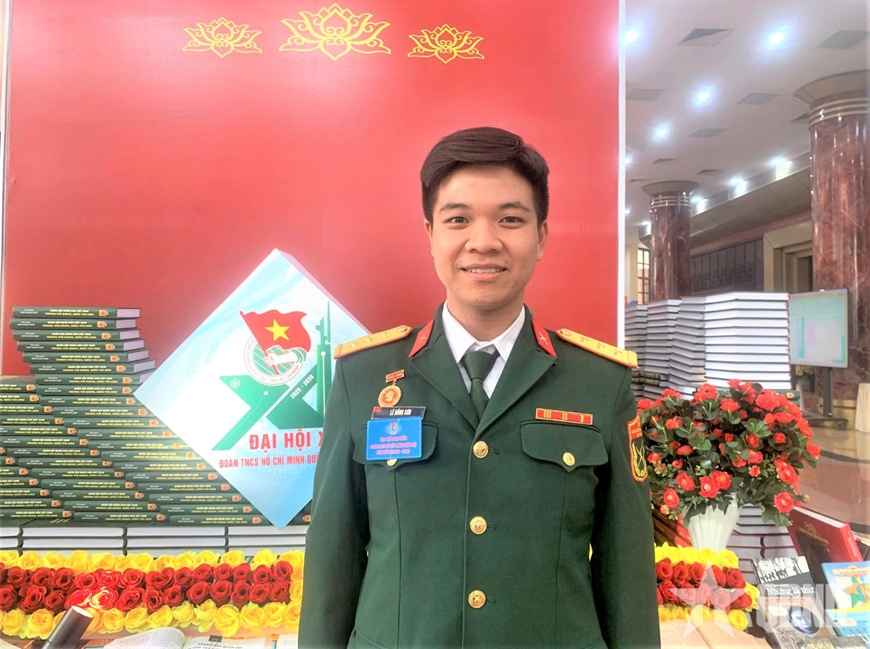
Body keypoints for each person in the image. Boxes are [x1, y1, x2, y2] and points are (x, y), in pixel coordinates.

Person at [299, 127, 659, 648]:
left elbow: (627, 569)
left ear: (541, 236)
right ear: (430, 235)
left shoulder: (599, 383)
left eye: (510, 219)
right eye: (458, 219)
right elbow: (333, 555)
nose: (484, 241)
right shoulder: (364, 377)